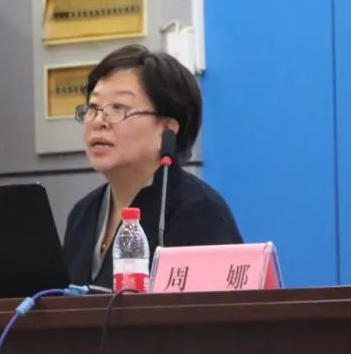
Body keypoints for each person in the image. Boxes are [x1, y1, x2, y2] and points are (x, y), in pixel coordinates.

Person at [62, 44, 242, 288]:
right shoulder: (83, 213)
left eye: (118, 108)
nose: (98, 121)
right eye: (93, 108)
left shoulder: (199, 211)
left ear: (167, 130)